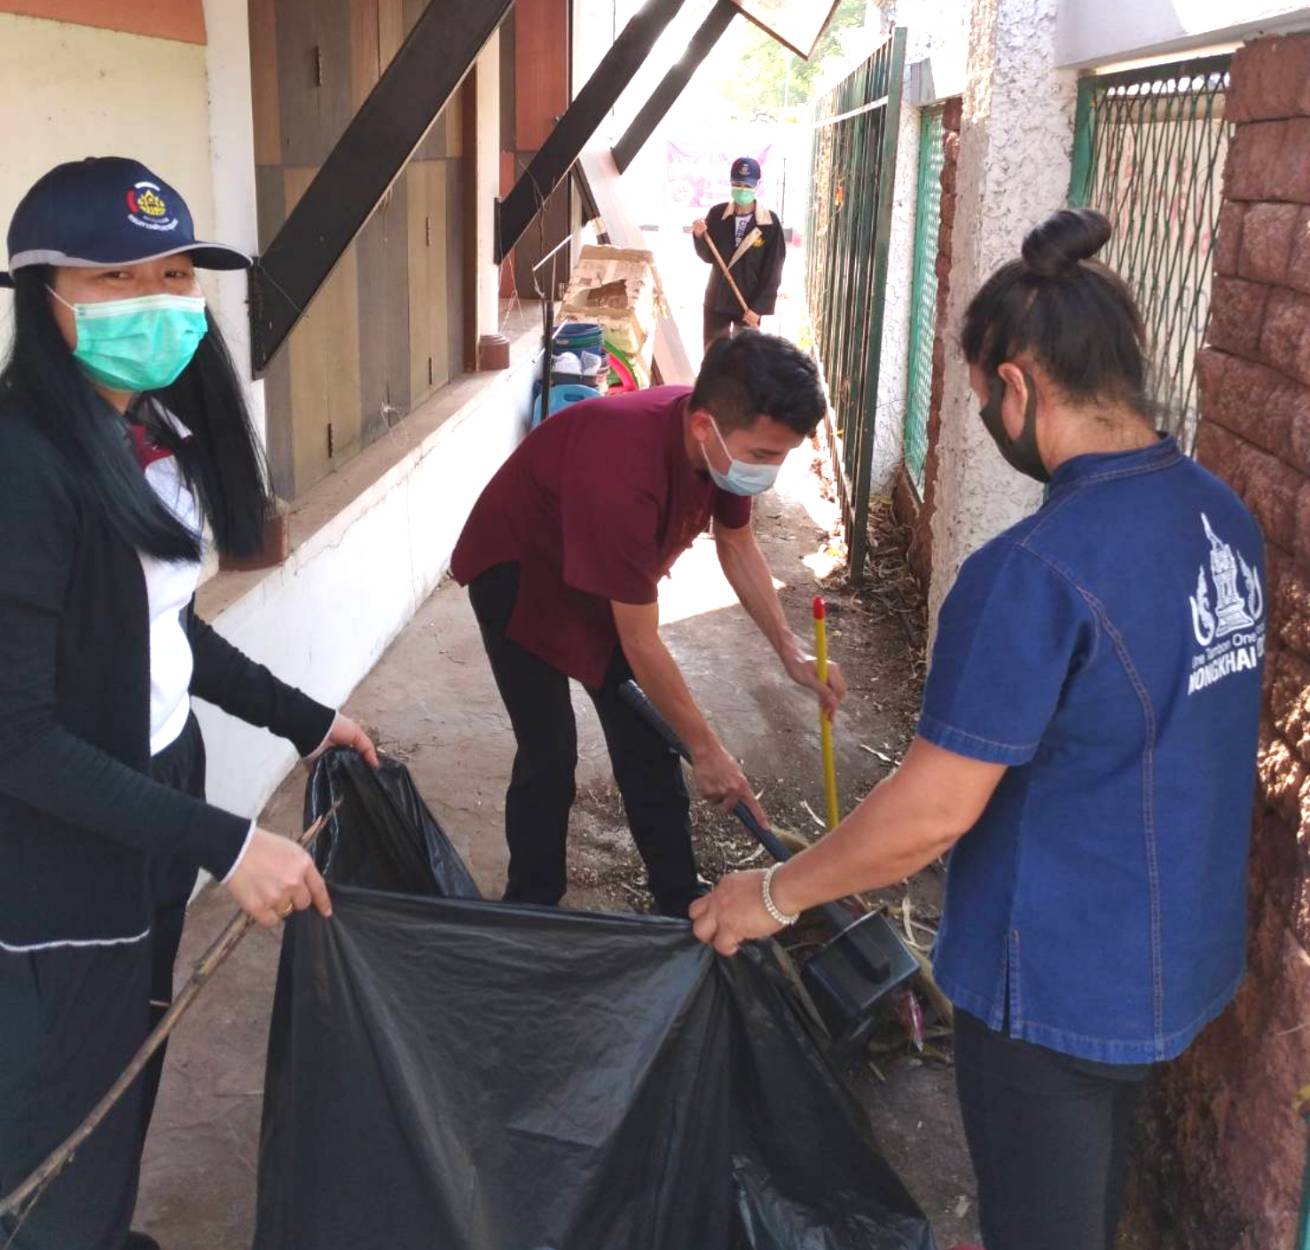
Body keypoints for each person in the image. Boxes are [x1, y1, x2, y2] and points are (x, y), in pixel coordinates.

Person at [688, 209, 1265, 1250]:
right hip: (1174, 963)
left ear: (1016, 387)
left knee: (1045, 1206)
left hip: (1048, 982)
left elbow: (929, 814)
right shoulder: (1219, 515)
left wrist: (770, 893)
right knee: (1071, 1201)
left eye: (979, 401)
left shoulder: (1029, 574)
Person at [0, 157, 379, 1250]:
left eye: (174, 273)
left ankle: (99, 1225)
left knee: (129, 1050)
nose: (160, 301)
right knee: (62, 1098)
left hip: (155, 794)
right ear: (47, 295)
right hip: (61, 846)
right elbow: (17, 740)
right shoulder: (23, 467)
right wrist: (227, 843)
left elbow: (163, 632)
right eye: (117, 280)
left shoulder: (149, 433)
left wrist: (304, 717)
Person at [450, 330, 845, 918]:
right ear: (704, 425)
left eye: (782, 455)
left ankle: (679, 903)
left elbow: (735, 543)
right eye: (765, 455)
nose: (771, 471)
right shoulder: (623, 471)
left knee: (648, 739)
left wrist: (790, 651)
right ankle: (530, 907)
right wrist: (709, 751)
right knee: (550, 749)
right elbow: (639, 641)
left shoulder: (721, 456)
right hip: (520, 568)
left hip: (603, 571)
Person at [692, 157, 787, 351]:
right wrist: (699, 236)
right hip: (717, 299)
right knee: (713, 356)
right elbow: (708, 257)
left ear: (757, 185)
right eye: (736, 184)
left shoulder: (769, 223)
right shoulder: (717, 214)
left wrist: (759, 307)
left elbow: (773, 270)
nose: (741, 189)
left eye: (746, 185)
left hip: (749, 304)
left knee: (744, 360)